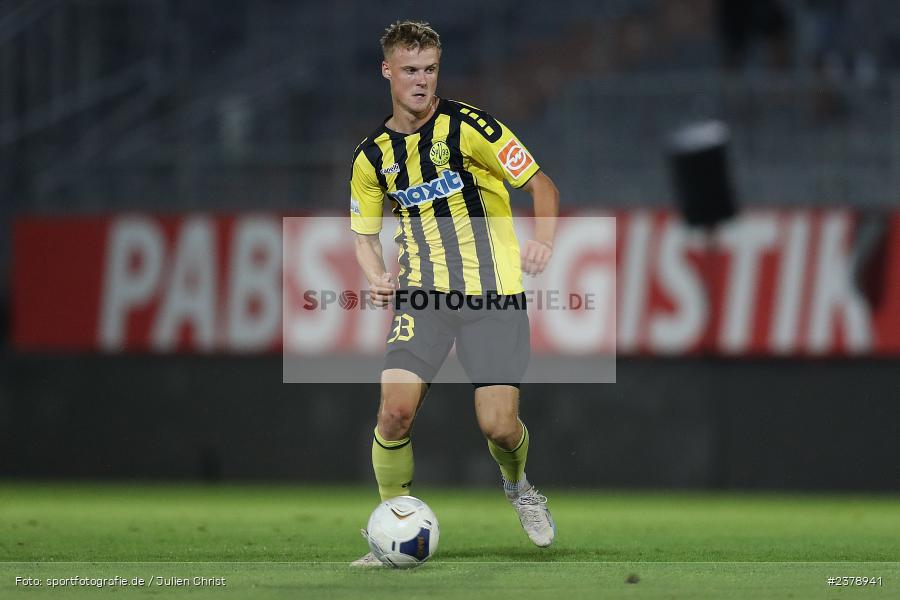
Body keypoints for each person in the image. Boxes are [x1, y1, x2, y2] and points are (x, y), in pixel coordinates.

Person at [349, 20, 560, 567]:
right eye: (410, 70)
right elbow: (364, 235)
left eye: (430, 70)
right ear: (387, 71)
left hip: (493, 295)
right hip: (423, 297)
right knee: (393, 414)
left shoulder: (470, 128)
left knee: (499, 426)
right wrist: (374, 273)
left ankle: (518, 487)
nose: (421, 81)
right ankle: (390, 524)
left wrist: (543, 239)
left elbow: (541, 183)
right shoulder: (371, 157)